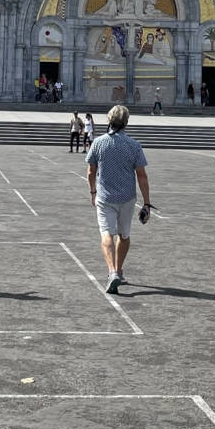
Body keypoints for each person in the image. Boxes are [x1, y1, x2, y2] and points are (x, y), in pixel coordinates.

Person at [86, 104, 150, 294]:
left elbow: (91, 172)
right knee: (124, 235)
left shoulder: (98, 143)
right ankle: (119, 271)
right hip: (127, 197)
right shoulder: (134, 145)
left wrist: (92, 192)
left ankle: (112, 271)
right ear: (126, 122)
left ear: (109, 120)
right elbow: (142, 175)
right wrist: (146, 203)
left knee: (107, 234)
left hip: (105, 197)